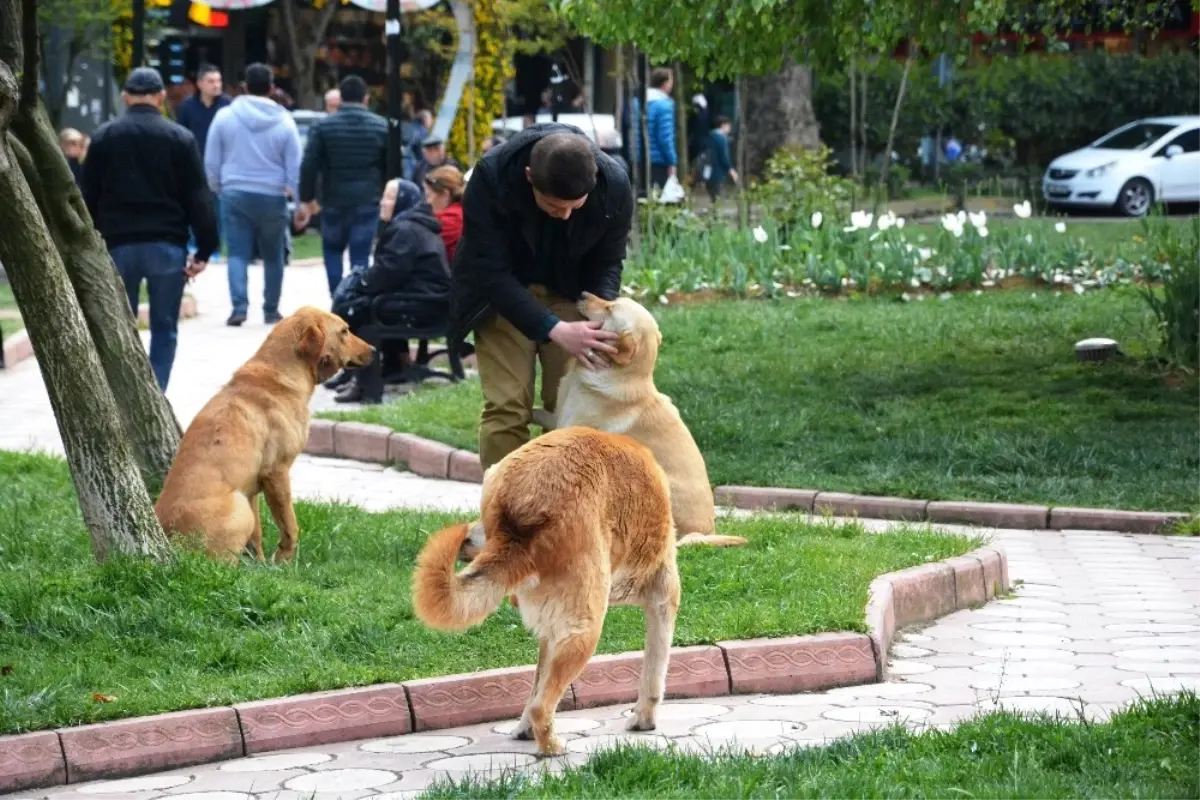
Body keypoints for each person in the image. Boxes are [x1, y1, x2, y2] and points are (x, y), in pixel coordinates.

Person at [451, 123, 633, 469]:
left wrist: (596, 315)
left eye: (574, 207)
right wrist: (553, 328)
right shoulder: (491, 178)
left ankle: (561, 507)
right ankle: (501, 511)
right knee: (507, 407)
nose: (564, 215)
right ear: (529, 176)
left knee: (568, 407)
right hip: (503, 296)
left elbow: (610, 262)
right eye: (552, 206)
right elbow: (487, 271)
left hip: (572, 294)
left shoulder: (614, 185)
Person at [81, 67, 217, 391]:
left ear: (126, 98)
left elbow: (87, 197)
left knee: (119, 327)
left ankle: (126, 393)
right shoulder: (180, 138)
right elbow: (198, 195)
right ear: (160, 98)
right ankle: (156, 394)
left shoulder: (103, 137)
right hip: (167, 244)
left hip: (116, 246)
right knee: (165, 326)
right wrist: (205, 249)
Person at [330, 179, 449, 404]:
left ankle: (368, 387)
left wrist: (362, 285)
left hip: (426, 306)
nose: (383, 203)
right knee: (360, 303)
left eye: (389, 197)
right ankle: (365, 372)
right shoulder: (407, 224)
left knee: (361, 312)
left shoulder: (405, 228)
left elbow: (388, 273)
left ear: (403, 200)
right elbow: (390, 272)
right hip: (426, 301)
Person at [205, 62, 302, 327]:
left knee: (237, 252)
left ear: (244, 87)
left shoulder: (225, 116)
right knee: (273, 255)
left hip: (234, 192)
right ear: (271, 88)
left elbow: (211, 160)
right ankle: (271, 309)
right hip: (272, 195)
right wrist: (297, 199)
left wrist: (218, 187)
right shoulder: (284, 120)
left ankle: (239, 307)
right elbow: (294, 166)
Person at [299, 75, 389, 297]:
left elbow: (309, 164)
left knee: (332, 249)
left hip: (333, 198)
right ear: (365, 98)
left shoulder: (323, 127)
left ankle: (336, 296)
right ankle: (356, 297)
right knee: (360, 253)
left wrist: (307, 198)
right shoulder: (381, 126)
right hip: (368, 198)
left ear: (340, 98)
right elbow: (390, 166)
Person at [176, 64, 232, 259]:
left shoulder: (227, 106)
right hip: (194, 164)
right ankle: (194, 245)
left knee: (218, 209)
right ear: (200, 84)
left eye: (218, 81)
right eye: (211, 81)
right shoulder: (187, 107)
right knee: (195, 206)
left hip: (221, 167)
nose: (216, 85)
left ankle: (217, 247)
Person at [422, 164, 464, 264]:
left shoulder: (450, 220)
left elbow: (420, 245)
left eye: (429, 196)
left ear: (445, 194)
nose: (427, 202)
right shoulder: (460, 211)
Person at [645, 66, 678, 192]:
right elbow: (665, 138)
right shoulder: (664, 105)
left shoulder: (640, 101)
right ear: (665, 83)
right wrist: (672, 161)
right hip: (659, 160)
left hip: (640, 159)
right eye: (670, 80)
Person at [704, 115, 738, 204]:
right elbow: (724, 157)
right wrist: (731, 170)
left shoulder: (710, 136)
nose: (729, 129)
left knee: (713, 198)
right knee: (718, 199)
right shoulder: (721, 138)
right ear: (723, 125)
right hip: (718, 172)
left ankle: (714, 214)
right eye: (729, 126)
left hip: (708, 172)